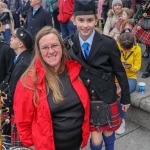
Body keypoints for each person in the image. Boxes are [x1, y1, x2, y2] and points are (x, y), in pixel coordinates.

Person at [13, 26, 90, 150]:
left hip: (77, 144)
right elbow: (22, 121)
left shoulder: (74, 69)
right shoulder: (28, 81)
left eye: (54, 45)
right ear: (39, 51)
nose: (51, 51)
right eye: (45, 48)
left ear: (61, 47)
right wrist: (35, 146)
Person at [68, 0, 130, 150]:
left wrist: (126, 99)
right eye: (81, 20)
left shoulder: (108, 44)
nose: (85, 25)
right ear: (73, 20)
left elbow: (120, 71)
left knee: (108, 131)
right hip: (84, 96)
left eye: (90, 20)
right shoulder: (69, 44)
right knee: (95, 136)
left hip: (106, 95)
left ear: (97, 19)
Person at [0, 28, 33, 147]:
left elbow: (16, 91)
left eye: (14, 37)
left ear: (20, 44)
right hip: (18, 110)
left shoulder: (23, 63)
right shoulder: (22, 59)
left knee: (19, 146)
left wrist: (5, 99)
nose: (11, 39)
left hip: (19, 112)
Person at [115, 29, 142, 134]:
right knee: (112, 90)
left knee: (123, 91)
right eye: (123, 49)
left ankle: (121, 120)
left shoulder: (137, 49)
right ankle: (112, 116)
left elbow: (137, 67)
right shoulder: (116, 45)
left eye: (128, 49)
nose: (125, 51)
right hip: (116, 76)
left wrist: (129, 66)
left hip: (130, 77)